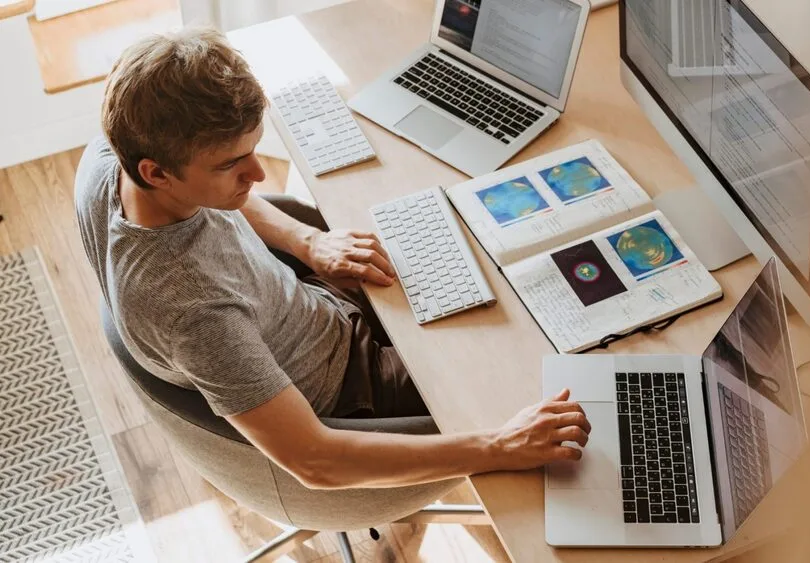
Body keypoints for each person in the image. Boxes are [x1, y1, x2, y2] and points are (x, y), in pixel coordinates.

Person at [75, 28, 590, 490]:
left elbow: (228, 195)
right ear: (157, 172)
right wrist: (498, 447)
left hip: (311, 309)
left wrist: (307, 243)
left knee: (489, 265)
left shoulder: (115, 155)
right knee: (545, 381)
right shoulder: (192, 311)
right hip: (350, 394)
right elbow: (316, 461)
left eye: (254, 149)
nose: (257, 175)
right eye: (232, 164)